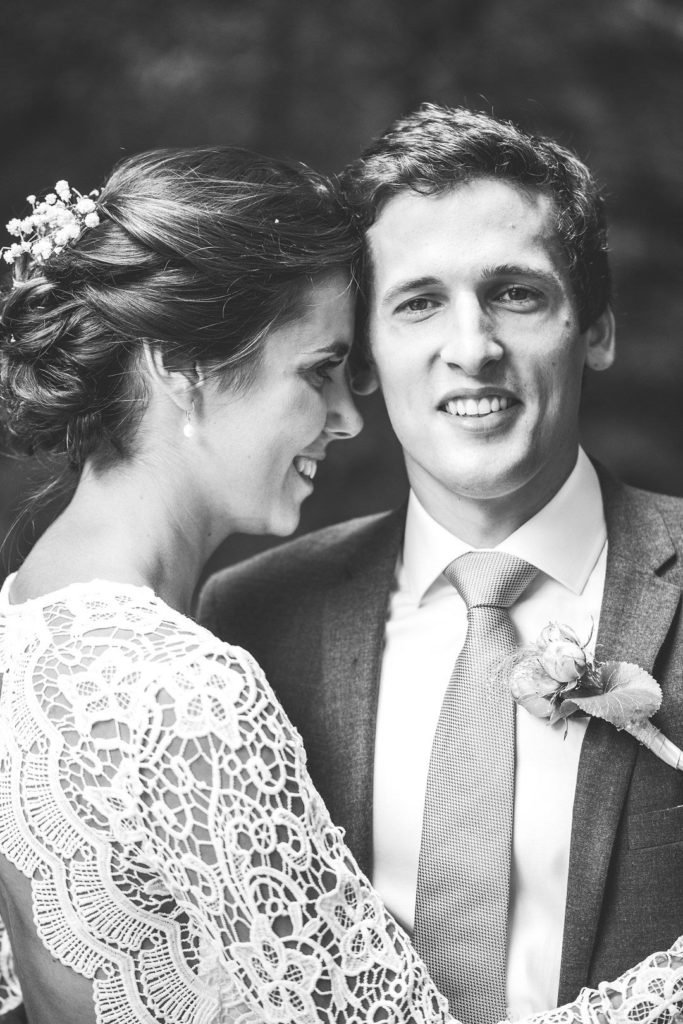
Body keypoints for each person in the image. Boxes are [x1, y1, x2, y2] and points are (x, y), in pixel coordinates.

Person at [0, 146, 679, 1024]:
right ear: (184, 367)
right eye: (321, 368)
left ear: (593, 325)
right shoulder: (216, 654)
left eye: (515, 292)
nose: (349, 412)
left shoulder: (26, 627)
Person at [198, 106, 683, 1024]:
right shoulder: (249, 619)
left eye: (516, 293)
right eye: (418, 302)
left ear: (596, 329)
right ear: (367, 359)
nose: (472, 349)